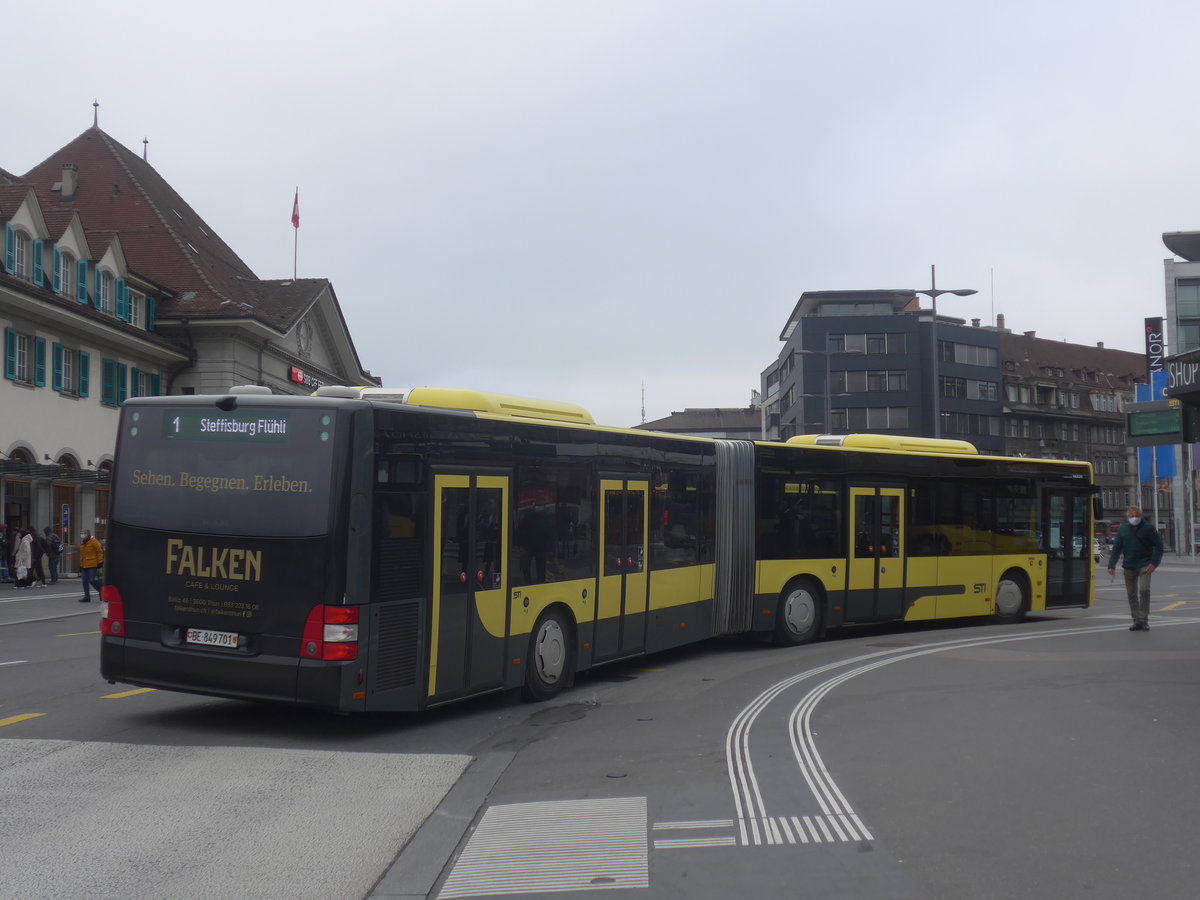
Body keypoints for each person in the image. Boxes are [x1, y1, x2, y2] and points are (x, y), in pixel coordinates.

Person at [1107, 506, 1164, 631]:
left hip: (1145, 564)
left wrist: (1154, 563)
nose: (1135, 518)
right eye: (1132, 516)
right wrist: (1111, 565)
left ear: (1141, 516)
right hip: (1129, 565)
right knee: (1131, 594)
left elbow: (1159, 547)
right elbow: (1116, 549)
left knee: (1144, 590)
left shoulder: (1148, 528)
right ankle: (1136, 620)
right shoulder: (1123, 529)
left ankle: (1144, 619)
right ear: (1128, 517)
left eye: (1137, 515)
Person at [79, 529, 104, 603]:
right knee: (84, 581)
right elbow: (82, 555)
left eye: (83, 533)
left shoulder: (94, 541)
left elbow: (99, 552)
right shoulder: (83, 542)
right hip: (84, 564)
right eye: (81, 533)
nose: (82, 535)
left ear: (88, 534)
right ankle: (87, 597)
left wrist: (100, 562)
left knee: (91, 580)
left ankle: (101, 591)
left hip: (92, 564)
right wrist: (81, 564)